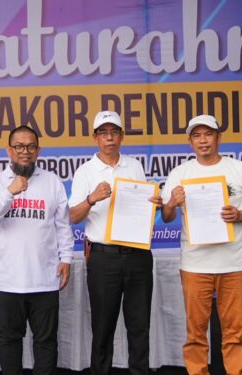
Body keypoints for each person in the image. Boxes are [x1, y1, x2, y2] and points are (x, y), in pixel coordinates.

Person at [161, 114, 242, 375]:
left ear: (219, 137)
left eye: (208, 134)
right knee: (195, 332)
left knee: (234, 331)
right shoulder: (180, 173)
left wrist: (241, 215)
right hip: (195, 264)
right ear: (190, 141)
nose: (203, 140)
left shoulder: (238, 169)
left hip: (232, 262)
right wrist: (172, 203)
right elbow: (166, 216)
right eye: (196, 135)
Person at [68, 111, 161, 375]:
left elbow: (141, 209)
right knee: (103, 326)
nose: (110, 138)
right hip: (103, 258)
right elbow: (72, 217)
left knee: (140, 325)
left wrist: (153, 204)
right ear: (95, 138)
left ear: (122, 136)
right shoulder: (85, 171)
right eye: (103, 133)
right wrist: (91, 198)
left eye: (114, 132)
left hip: (137, 255)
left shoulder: (134, 166)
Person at [0, 126, 73, 374]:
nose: (25, 152)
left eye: (31, 147)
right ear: (9, 150)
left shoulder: (52, 182)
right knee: (9, 339)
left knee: (46, 341)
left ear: (38, 150)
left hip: (45, 279)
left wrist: (66, 258)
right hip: (9, 280)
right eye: (19, 147)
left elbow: (63, 224)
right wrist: (9, 192)